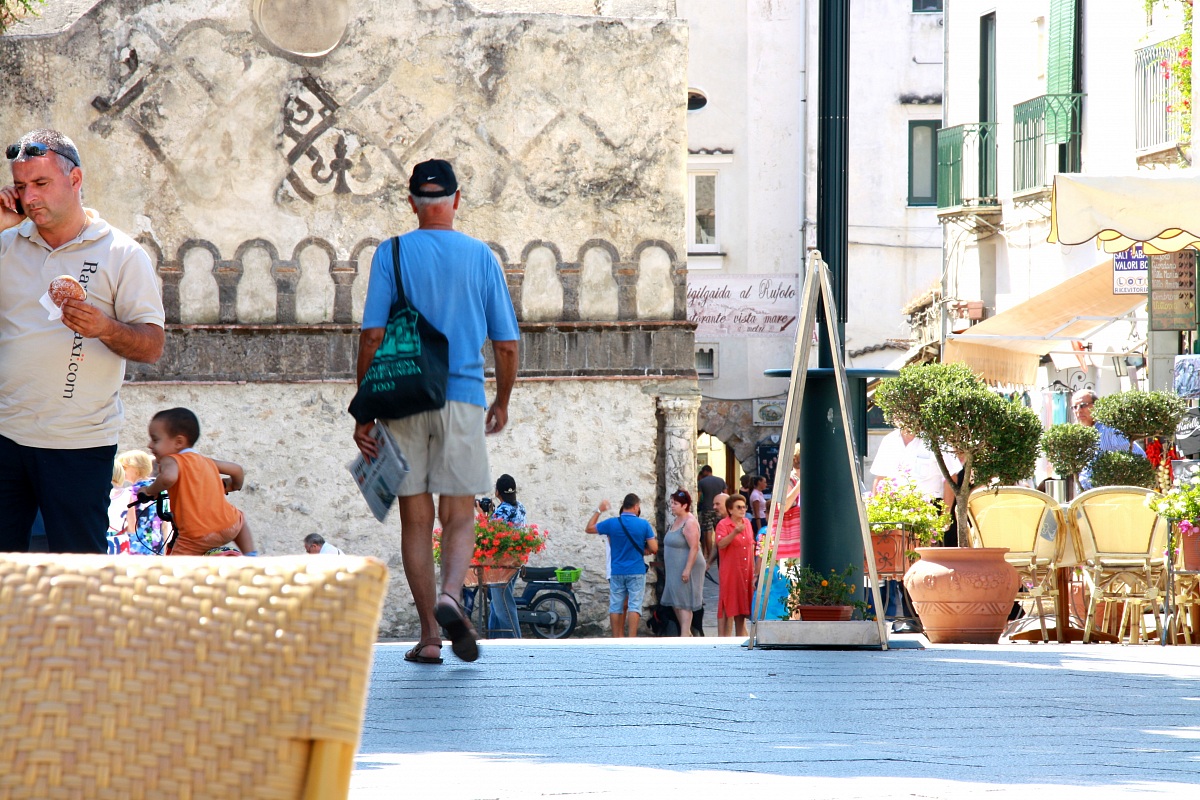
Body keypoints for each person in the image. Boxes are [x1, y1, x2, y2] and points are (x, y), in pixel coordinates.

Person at [352, 158, 519, 665]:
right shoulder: (481, 257)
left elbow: (372, 336)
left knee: (416, 522)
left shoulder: (392, 252)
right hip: (463, 398)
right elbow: (507, 344)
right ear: (456, 199)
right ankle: (451, 595)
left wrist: (364, 410)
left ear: (411, 203)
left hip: (403, 401)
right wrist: (503, 400)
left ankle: (428, 636)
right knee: (460, 515)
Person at [0, 129, 165, 553]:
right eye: (21, 186)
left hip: (79, 443)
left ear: (75, 181)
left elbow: (152, 346)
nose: (30, 197)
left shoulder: (122, 254)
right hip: (5, 436)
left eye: (41, 183)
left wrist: (105, 328)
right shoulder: (6, 244)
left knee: (80, 576)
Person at [139, 407, 258, 557]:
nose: (150, 445)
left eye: (155, 439)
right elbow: (237, 470)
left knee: (173, 571)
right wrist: (232, 485)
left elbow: (168, 478)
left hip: (196, 537)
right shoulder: (205, 461)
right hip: (230, 527)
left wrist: (150, 490)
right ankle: (251, 556)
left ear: (179, 442)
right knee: (239, 519)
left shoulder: (171, 460)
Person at [586, 493, 658, 637]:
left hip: (617, 570)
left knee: (616, 606)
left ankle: (615, 639)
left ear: (624, 506)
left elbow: (589, 528)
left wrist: (599, 510)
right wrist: (643, 549)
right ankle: (631, 639)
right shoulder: (643, 524)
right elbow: (654, 548)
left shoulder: (612, 523)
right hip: (636, 570)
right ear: (636, 506)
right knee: (634, 605)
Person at [1073, 390, 1146, 490]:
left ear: (1096, 406)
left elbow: (1138, 458)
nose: (1079, 410)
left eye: (1083, 405)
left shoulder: (1110, 430)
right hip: (1085, 495)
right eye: (1075, 407)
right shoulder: (1077, 435)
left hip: (1110, 495)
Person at [483, 473, 526, 639]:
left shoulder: (503, 510)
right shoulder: (520, 507)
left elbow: (489, 534)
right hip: (516, 560)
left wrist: (484, 514)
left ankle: (515, 640)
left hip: (501, 562)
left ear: (497, 492)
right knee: (497, 602)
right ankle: (494, 638)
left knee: (503, 604)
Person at [659, 489, 705, 637]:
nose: (672, 506)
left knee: (684, 601)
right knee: (675, 599)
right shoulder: (676, 520)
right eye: (671, 503)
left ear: (685, 506)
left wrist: (687, 569)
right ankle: (687, 633)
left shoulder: (689, 523)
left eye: (675, 503)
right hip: (674, 567)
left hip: (687, 566)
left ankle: (685, 634)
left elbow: (694, 547)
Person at [715, 494, 755, 636]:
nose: (742, 510)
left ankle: (740, 637)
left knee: (742, 607)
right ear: (730, 510)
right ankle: (724, 639)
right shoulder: (723, 525)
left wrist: (754, 572)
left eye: (744, 507)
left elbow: (751, 547)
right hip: (731, 572)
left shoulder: (747, 523)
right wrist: (734, 533)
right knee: (729, 605)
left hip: (746, 572)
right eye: (738, 507)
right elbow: (720, 544)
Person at [696, 465, 726, 559]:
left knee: (707, 531)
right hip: (719, 509)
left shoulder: (702, 482)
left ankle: (709, 554)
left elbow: (699, 496)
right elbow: (725, 494)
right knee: (719, 530)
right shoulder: (721, 480)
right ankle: (719, 551)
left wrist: (697, 507)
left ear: (706, 471)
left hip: (707, 508)